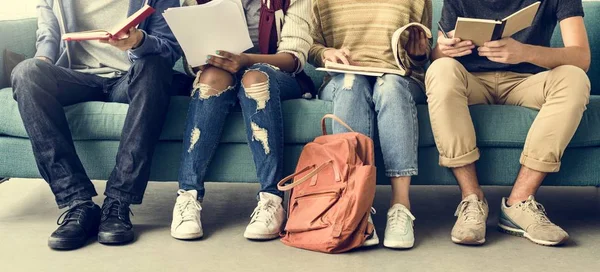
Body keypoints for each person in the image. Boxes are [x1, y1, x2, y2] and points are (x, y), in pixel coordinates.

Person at [11, 0, 182, 250]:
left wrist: (139, 41)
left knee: (155, 66)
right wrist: (43, 63)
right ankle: (78, 203)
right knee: (26, 72)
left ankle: (118, 202)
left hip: (130, 78)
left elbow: (170, 49)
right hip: (76, 78)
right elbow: (48, 36)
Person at [427, 0, 591, 246]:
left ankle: (519, 202)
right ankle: (471, 199)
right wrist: (443, 49)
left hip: (527, 82)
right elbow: (437, 56)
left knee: (575, 78)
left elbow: (581, 57)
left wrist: (524, 52)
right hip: (470, 81)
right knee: (440, 70)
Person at [170, 0, 313, 241]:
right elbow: (189, 57)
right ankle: (187, 195)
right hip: (222, 71)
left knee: (255, 79)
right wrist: (201, 59)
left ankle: (272, 199)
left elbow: (294, 58)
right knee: (210, 79)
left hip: (275, 74)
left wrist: (245, 60)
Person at [309, 0, 432, 249]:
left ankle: (400, 206)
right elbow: (311, 48)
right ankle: (356, 206)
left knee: (391, 88)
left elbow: (423, 55)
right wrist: (325, 53)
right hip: (344, 77)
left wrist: (419, 53)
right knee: (351, 86)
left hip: (398, 78)